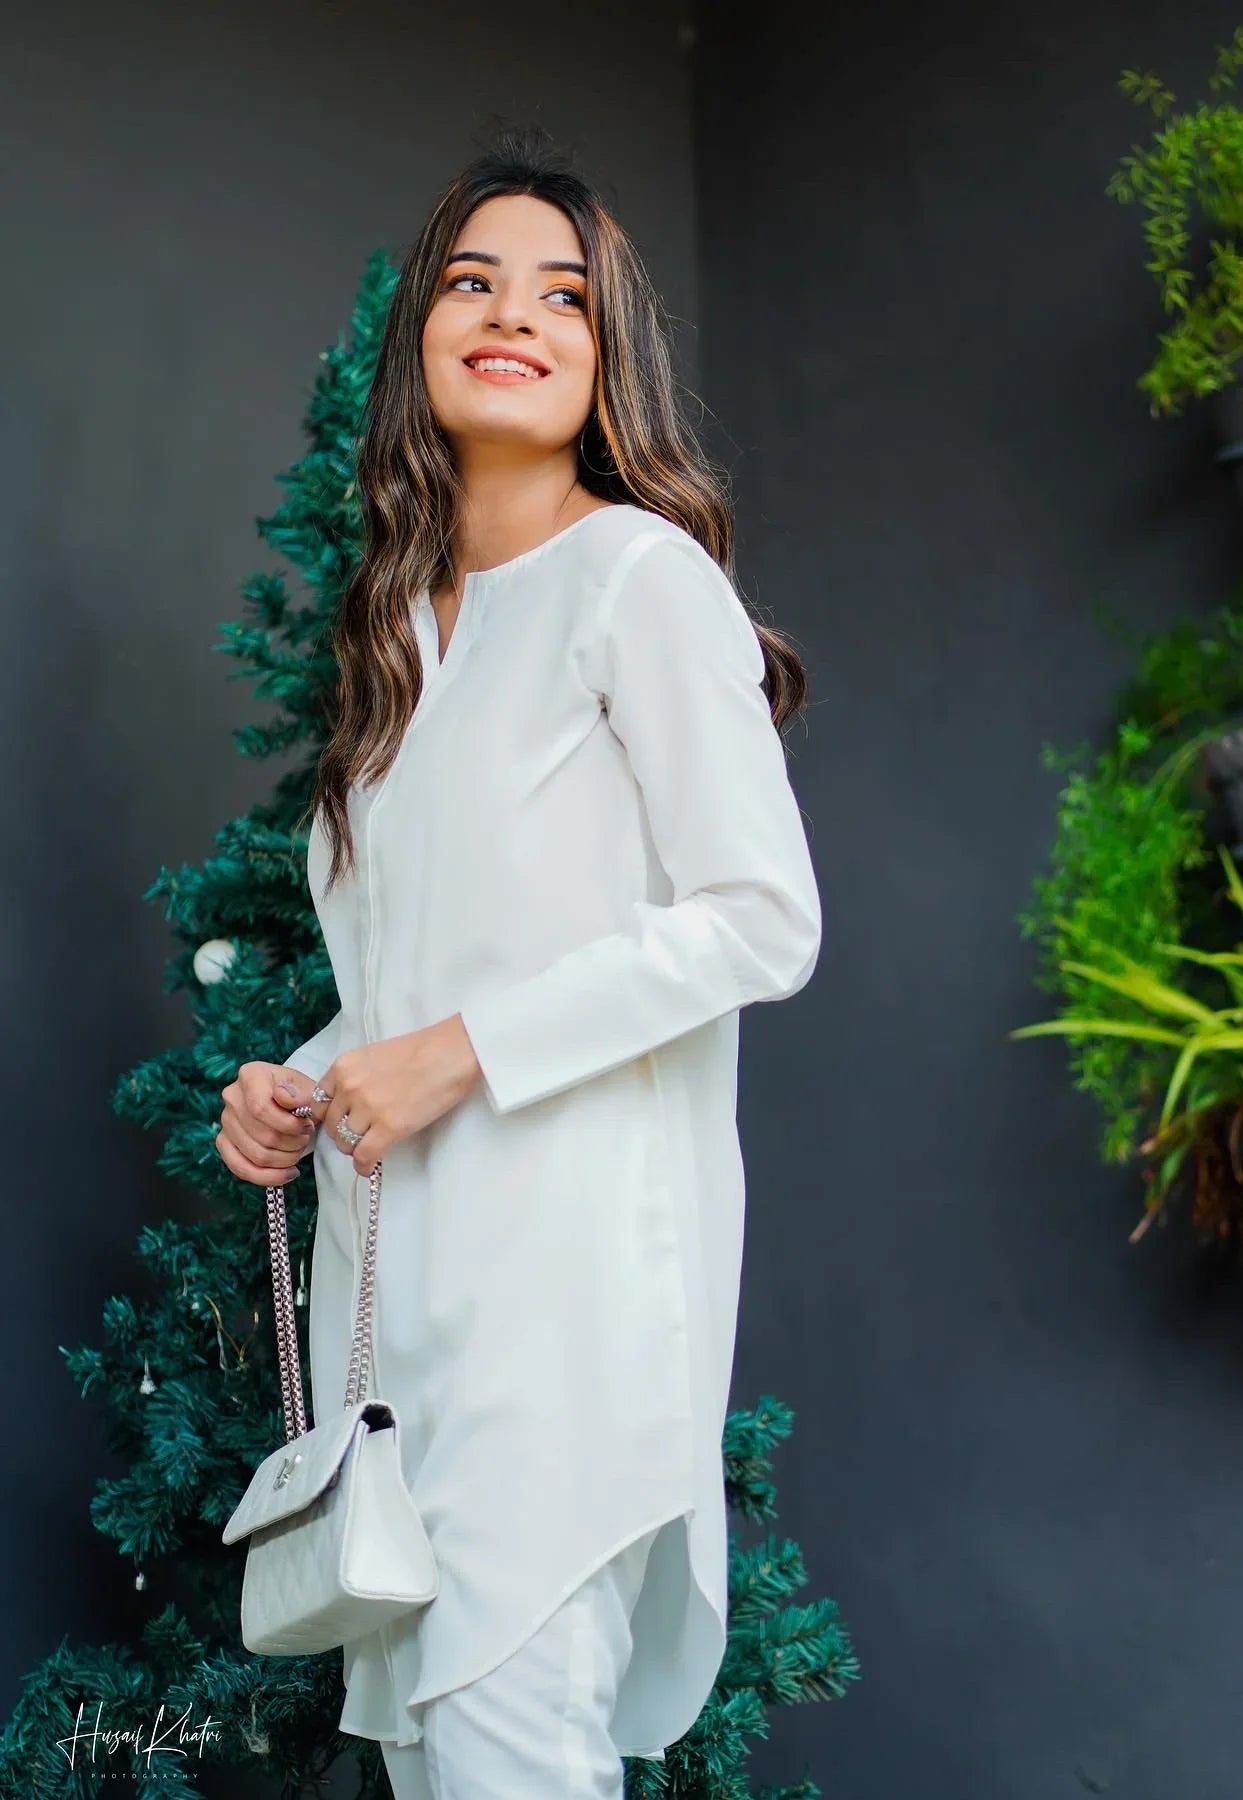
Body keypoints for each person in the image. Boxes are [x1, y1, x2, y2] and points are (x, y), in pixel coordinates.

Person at [213, 123, 822, 1799]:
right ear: (422, 338)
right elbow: (408, 985)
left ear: (605, 353)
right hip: (402, 1323)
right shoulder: (397, 637)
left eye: (563, 294)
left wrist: (453, 1053)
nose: (515, 312)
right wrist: (308, 1080)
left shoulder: (640, 580)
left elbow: (764, 917)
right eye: (473, 281)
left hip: (571, 1308)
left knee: (512, 1760)